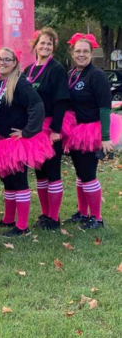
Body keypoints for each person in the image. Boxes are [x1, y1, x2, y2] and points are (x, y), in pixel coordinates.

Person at [0, 47, 53, 237]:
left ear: (15, 63)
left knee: (18, 180)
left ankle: (22, 226)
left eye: (7, 59)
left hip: (17, 141)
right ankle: (8, 219)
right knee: (7, 180)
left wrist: (28, 131)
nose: (2, 62)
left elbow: (37, 105)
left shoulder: (20, 84)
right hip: (1, 140)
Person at [62, 33, 122, 229]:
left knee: (88, 174)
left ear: (91, 53)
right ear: (72, 53)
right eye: (78, 51)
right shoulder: (72, 74)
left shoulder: (96, 75)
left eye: (85, 51)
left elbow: (105, 107)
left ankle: (96, 218)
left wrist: (105, 137)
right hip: (75, 131)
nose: (81, 54)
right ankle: (82, 212)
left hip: (91, 131)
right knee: (80, 174)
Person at [23, 28, 72, 230]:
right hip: (35, 126)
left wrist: (55, 129)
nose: (45, 47)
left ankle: (53, 217)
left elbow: (61, 101)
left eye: (49, 44)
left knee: (52, 171)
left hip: (51, 125)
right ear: (35, 45)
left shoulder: (57, 69)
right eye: (42, 43)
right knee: (40, 172)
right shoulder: (28, 70)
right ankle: (44, 214)